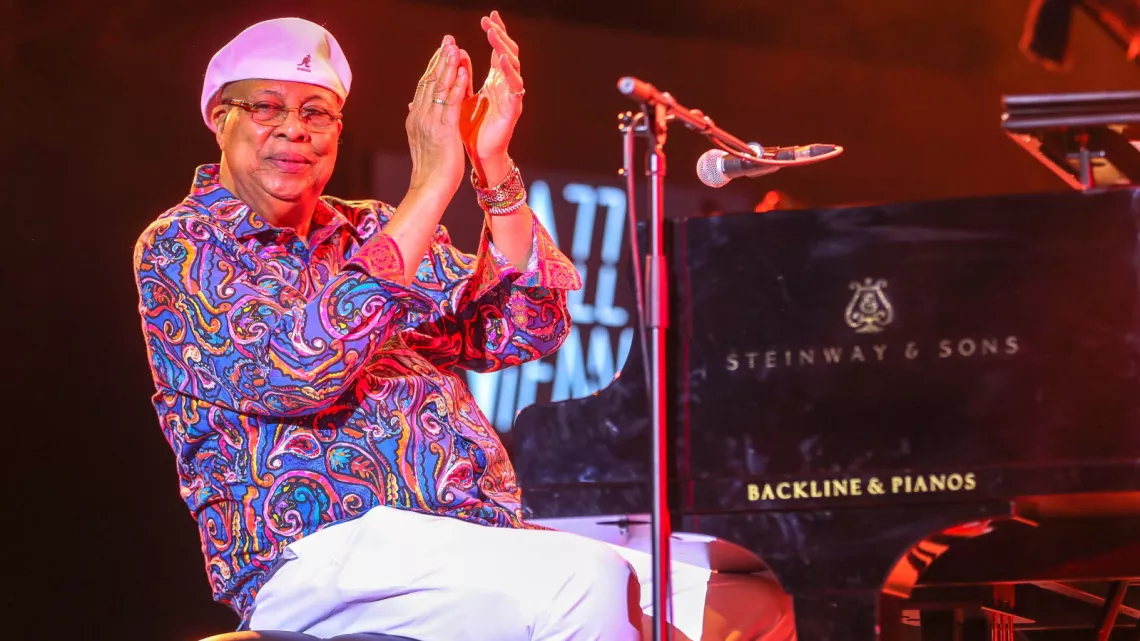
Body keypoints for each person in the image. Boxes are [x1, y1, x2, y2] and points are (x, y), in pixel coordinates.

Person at [133, 14, 794, 641]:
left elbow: (525, 326)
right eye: (266, 106)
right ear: (219, 118)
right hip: (319, 552)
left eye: (316, 112)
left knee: (747, 594)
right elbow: (296, 372)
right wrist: (432, 183)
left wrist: (489, 163)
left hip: (469, 534)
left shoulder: (367, 227)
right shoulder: (183, 243)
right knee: (585, 581)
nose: (294, 129)